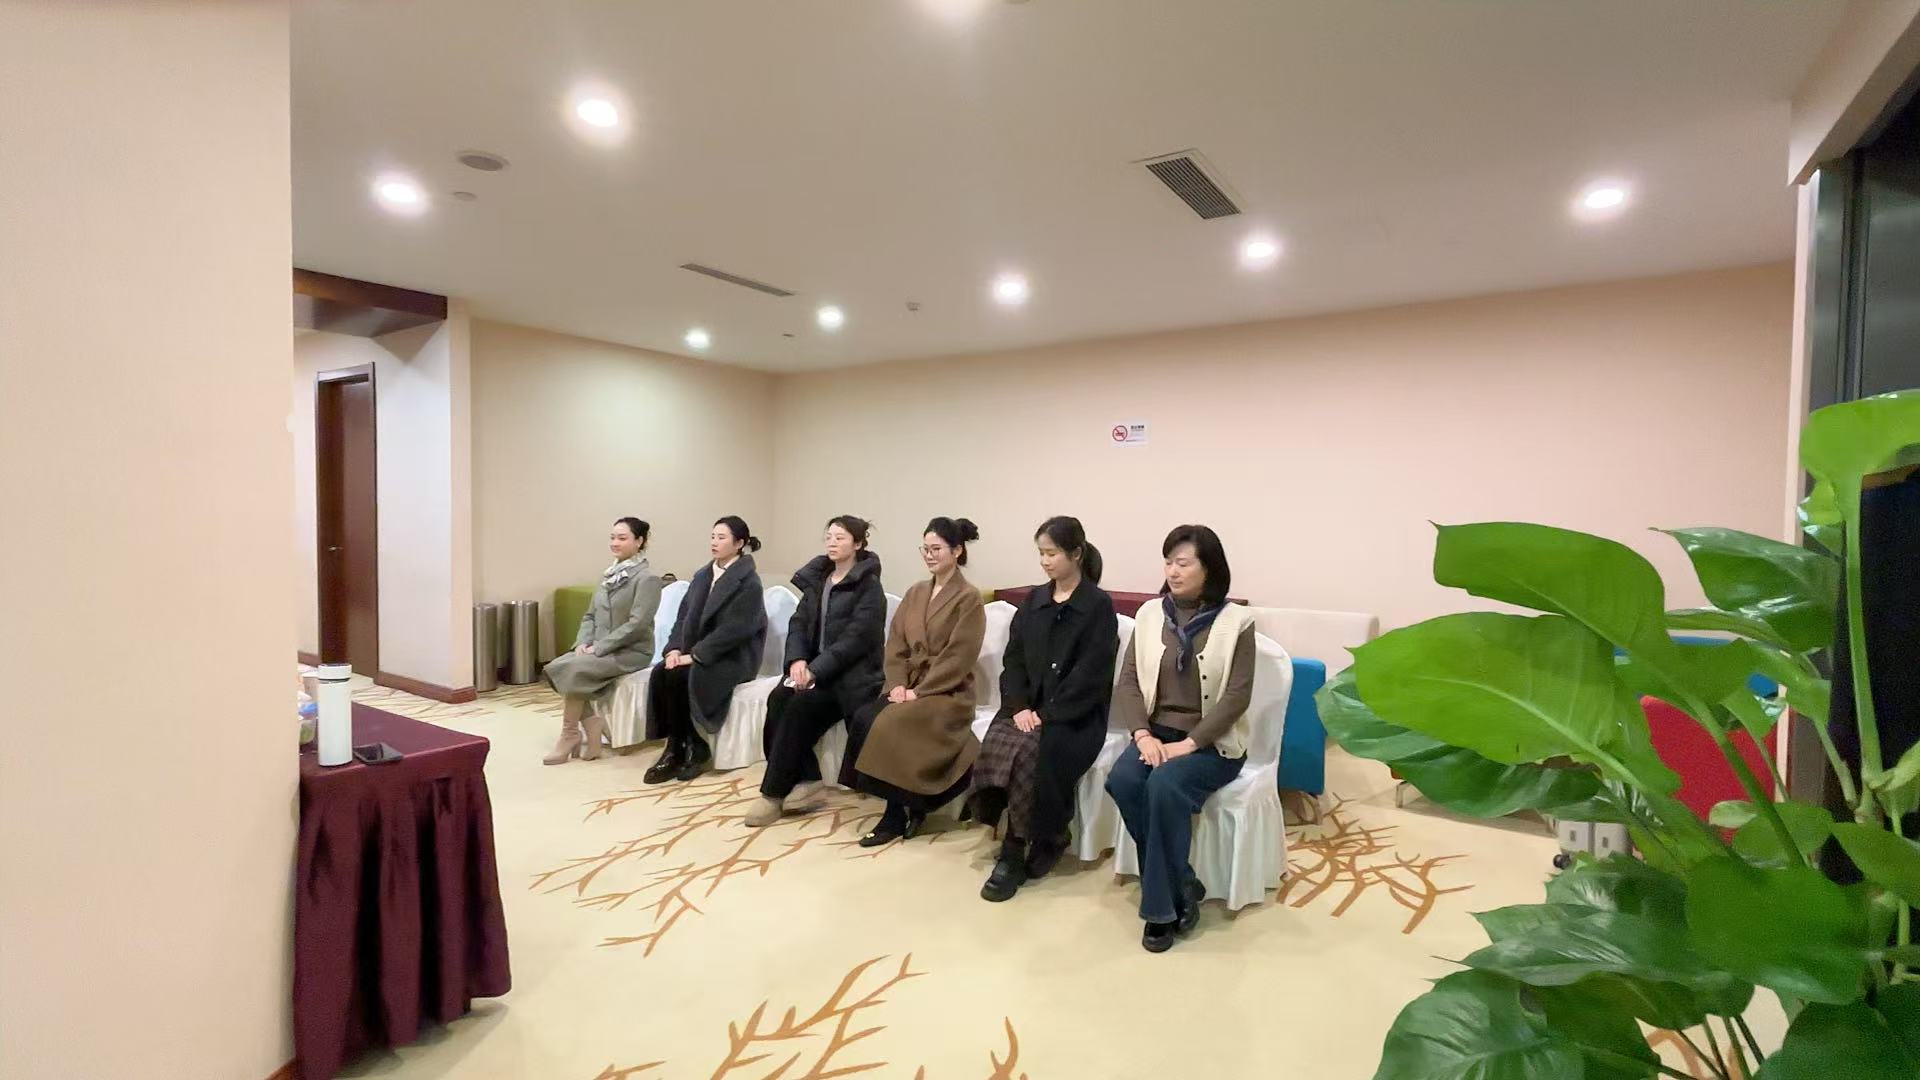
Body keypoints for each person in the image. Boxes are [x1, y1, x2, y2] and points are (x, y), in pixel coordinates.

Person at [1105, 524, 1256, 953]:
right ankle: (1183, 882)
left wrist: (1188, 745)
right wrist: (1142, 735)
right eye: (1168, 562)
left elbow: (1237, 696)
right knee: (1124, 780)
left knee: (1164, 785)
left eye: (1183, 563)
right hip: (1156, 734)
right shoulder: (1151, 615)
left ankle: (1160, 911)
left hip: (1212, 744)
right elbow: (1129, 682)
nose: (1173, 571)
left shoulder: (1237, 622)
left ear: (1209, 568)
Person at [968, 516, 1117, 901]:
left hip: (1075, 716)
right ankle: (1042, 835)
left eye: (1052, 553)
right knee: (998, 742)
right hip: (1025, 709)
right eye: (1041, 553)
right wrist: (1018, 705)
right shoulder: (1034, 601)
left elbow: (1092, 675)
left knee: (1033, 752)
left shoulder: (1097, 606)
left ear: (1076, 554)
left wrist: (1047, 714)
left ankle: (1017, 846)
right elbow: (1014, 659)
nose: (1045, 561)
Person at [849, 517, 987, 846]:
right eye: (925, 549)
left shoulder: (969, 598)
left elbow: (959, 656)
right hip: (909, 684)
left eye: (936, 549)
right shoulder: (915, 592)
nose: (929, 555)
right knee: (865, 716)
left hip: (947, 690)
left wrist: (920, 691)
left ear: (956, 551)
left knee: (894, 722)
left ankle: (897, 813)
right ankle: (903, 805)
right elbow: (896, 643)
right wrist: (897, 684)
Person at [745, 515, 887, 827]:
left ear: (858, 544)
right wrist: (797, 661)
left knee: (799, 707)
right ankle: (807, 778)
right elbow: (798, 624)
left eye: (840, 538)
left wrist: (816, 671)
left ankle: (772, 794)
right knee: (778, 698)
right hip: (814, 671)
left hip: (851, 679)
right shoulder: (819, 580)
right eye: (829, 537)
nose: (832, 543)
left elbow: (856, 640)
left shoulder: (869, 587)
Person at [642, 516, 768, 784]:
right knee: (664, 671)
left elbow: (735, 630)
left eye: (722, 538)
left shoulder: (749, 583)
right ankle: (677, 746)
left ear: (739, 544)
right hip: (698, 651)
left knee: (682, 675)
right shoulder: (703, 575)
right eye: (713, 536)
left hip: (732, 657)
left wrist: (696, 655)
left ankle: (693, 747)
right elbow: (683, 618)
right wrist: (674, 649)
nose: (714, 542)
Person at [541, 517, 664, 765]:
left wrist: (600, 647)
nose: (615, 543)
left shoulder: (647, 579)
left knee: (575, 670)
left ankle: (570, 734)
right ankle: (592, 724)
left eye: (622, 538)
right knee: (556, 667)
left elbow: (637, 624)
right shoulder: (609, 574)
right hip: (600, 646)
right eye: (612, 537)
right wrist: (582, 643)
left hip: (631, 651)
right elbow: (590, 615)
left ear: (639, 541)